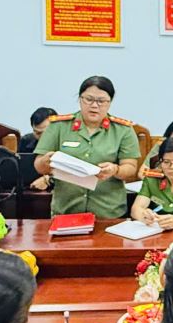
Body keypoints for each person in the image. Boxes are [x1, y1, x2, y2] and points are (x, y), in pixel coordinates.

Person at [31, 76, 141, 218]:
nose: (94, 105)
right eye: (89, 99)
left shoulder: (123, 130)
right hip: (66, 211)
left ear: (110, 102)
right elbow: (39, 165)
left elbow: (131, 167)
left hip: (108, 212)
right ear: (79, 99)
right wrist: (45, 161)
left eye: (101, 101)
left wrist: (115, 170)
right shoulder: (58, 126)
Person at [20, 107, 56, 191]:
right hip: (30, 189)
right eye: (37, 132)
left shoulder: (68, 143)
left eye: (45, 133)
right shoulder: (26, 141)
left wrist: (49, 180)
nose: (41, 137)